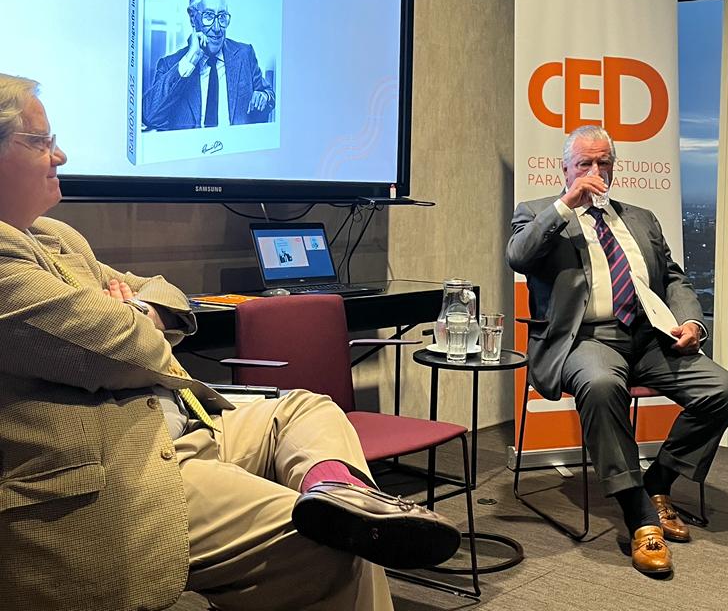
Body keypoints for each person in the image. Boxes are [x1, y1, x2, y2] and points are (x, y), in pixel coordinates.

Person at [0, 73, 459, 611]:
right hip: (118, 464)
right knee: (326, 550)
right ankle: (338, 521)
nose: (60, 155)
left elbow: (165, 294)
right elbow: (123, 347)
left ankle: (339, 493)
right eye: (40, 141)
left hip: (174, 421)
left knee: (307, 409)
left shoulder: (55, 236)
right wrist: (134, 317)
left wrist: (135, 310)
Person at [507, 125, 728, 576]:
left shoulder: (640, 217)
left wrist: (691, 322)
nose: (595, 172)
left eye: (604, 163)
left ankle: (658, 480)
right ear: (565, 169)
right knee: (600, 384)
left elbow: (673, 278)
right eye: (585, 164)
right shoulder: (538, 212)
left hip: (650, 337)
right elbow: (518, 255)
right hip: (586, 339)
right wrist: (566, 204)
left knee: (723, 390)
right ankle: (639, 514)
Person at [143, 0, 275, 131]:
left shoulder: (245, 55)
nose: (217, 28)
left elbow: (268, 94)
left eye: (222, 16)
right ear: (193, 18)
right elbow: (150, 116)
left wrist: (264, 96)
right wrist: (190, 59)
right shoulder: (170, 65)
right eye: (209, 16)